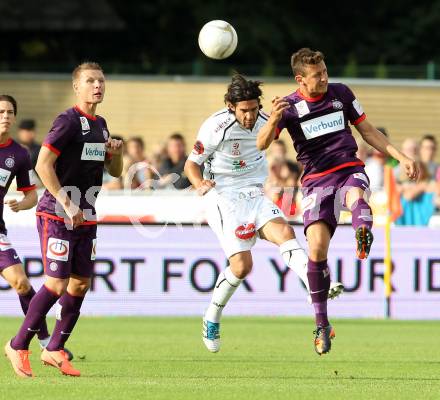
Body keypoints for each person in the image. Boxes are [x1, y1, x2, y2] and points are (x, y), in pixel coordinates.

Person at [257, 48, 418, 355]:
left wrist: (401, 156)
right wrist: (273, 119)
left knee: (356, 196)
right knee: (316, 248)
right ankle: (322, 324)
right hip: (316, 181)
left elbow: (368, 132)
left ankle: (362, 231)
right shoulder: (289, 108)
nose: (325, 78)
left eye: (326, 71)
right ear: (300, 79)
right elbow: (262, 143)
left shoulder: (341, 94)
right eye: (318, 75)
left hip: (348, 169)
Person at [184, 74, 343, 354]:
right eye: (243, 110)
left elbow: (276, 137)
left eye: (253, 109)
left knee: (285, 232)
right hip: (222, 195)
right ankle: (212, 316)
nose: (249, 116)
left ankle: (313, 283)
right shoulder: (215, 126)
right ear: (231, 106)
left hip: (254, 192)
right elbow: (191, 165)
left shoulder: (264, 120)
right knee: (243, 267)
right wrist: (200, 184)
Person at [4, 62, 123, 378]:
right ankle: (18, 345)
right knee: (56, 283)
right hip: (57, 214)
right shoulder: (67, 121)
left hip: (86, 217)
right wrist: (66, 202)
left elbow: (117, 172)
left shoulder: (101, 125)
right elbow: (43, 165)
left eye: (100, 80)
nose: (97, 85)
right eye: (90, 81)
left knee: (81, 284)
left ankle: (55, 349)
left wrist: (117, 152)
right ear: (76, 87)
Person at [0, 95, 74, 361]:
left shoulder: (18, 154)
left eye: (9, 112)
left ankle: (43, 340)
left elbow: (32, 194)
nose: (5, 116)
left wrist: (22, 204)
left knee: (21, 283)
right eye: (0, 112)